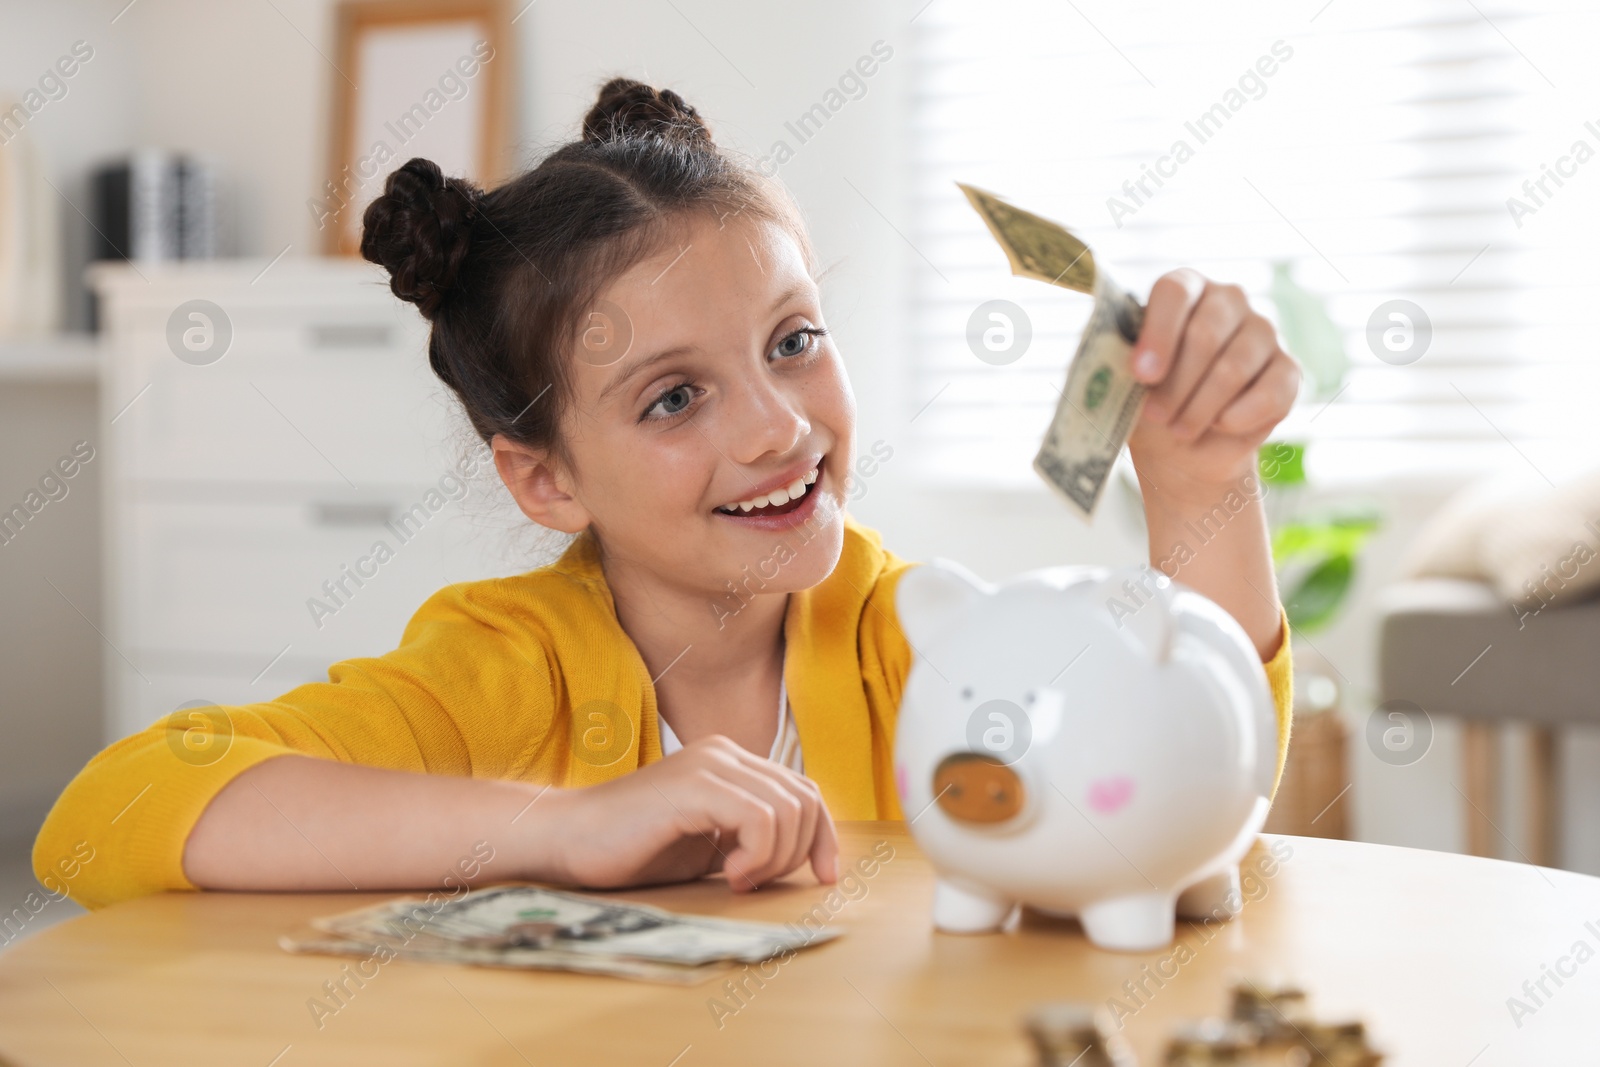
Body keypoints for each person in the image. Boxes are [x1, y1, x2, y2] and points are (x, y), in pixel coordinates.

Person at [35, 79, 1299, 911]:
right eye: (672, 397)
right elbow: (105, 816)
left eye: (793, 339)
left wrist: (1200, 480)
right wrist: (557, 824)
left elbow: (1191, 793)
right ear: (544, 477)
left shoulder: (916, 644)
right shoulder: (500, 667)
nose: (777, 424)